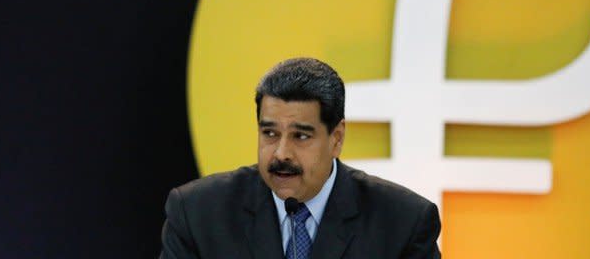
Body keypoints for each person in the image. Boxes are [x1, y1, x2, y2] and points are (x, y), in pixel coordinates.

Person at [160, 57, 441, 258]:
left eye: (301, 136)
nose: (281, 153)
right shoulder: (198, 213)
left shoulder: (402, 223)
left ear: (337, 138)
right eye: (270, 133)